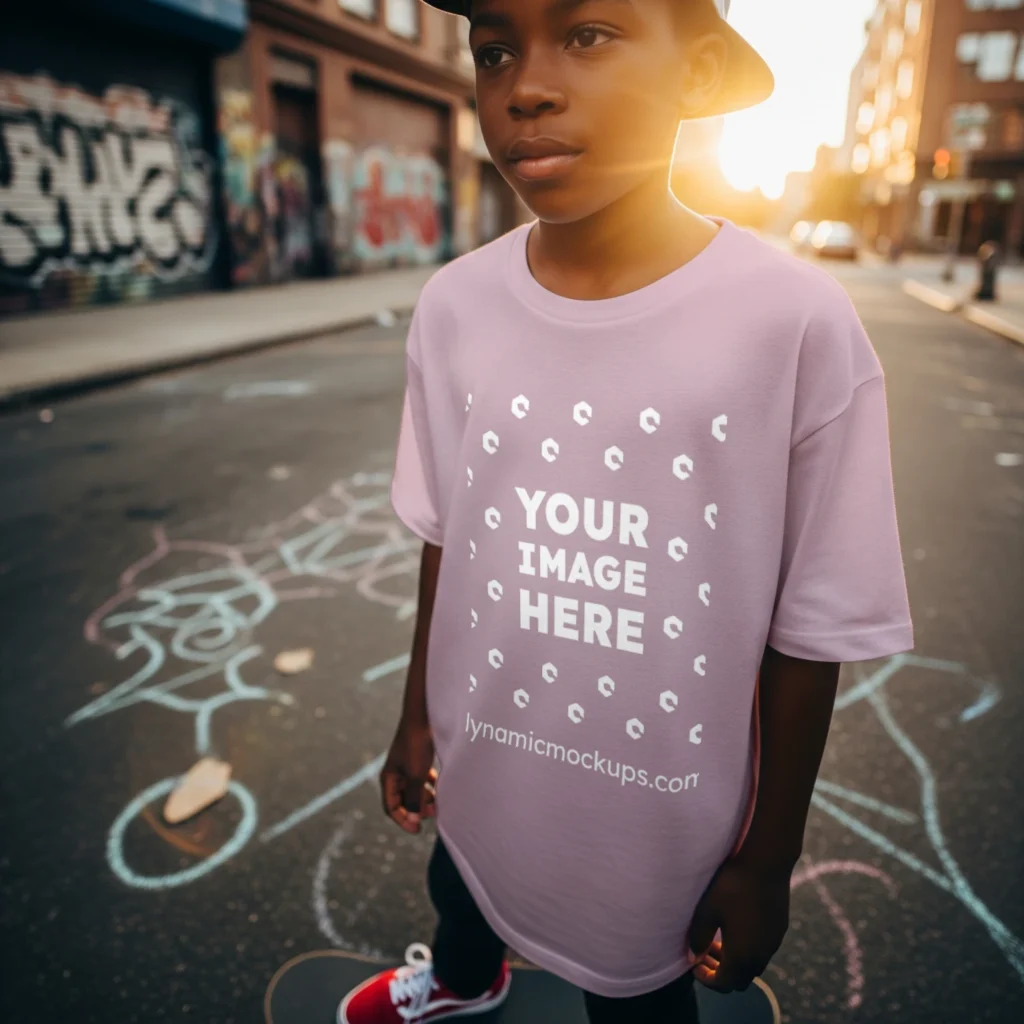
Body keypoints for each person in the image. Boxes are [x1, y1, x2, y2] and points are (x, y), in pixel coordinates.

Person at [339, 1, 914, 1022]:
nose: (526, 85)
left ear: (695, 75)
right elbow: (446, 531)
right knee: (461, 883)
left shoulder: (792, 321)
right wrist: (418, 711)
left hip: (657, 819)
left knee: (638, 996)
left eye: (588, 34)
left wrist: (768, 855)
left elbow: (814, 620)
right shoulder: (454, 305)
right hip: (484, 754)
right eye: (495, 48)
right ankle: (465, 982)